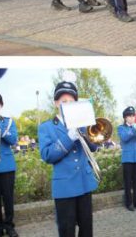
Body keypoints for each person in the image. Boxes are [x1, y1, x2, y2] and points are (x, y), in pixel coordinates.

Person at [38, 77, 98, 237]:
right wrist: (69, 137)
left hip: (84, 183)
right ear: (56, 103)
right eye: (64, 101)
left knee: (87, 230)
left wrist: (84, 132)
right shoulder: (46, 127)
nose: (68, 104)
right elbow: (47, 155)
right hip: (64, 188)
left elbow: (94, 147)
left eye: (72, 101)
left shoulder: (83, 124)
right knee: (66, 231)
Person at [0, 90, 18, 237]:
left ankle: (9, 226)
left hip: (7, 166)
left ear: (0, 105)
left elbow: (13, 140)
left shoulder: (8, 121)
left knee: (8, 198)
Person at [117, 106, 136, 212]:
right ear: (125, 118)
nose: (132, 118)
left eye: (133, 116)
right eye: (130, 116)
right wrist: (134, 129)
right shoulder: (121, 128)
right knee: (128, 182)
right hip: (127, 158)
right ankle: (128, 203)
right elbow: (124, 138)